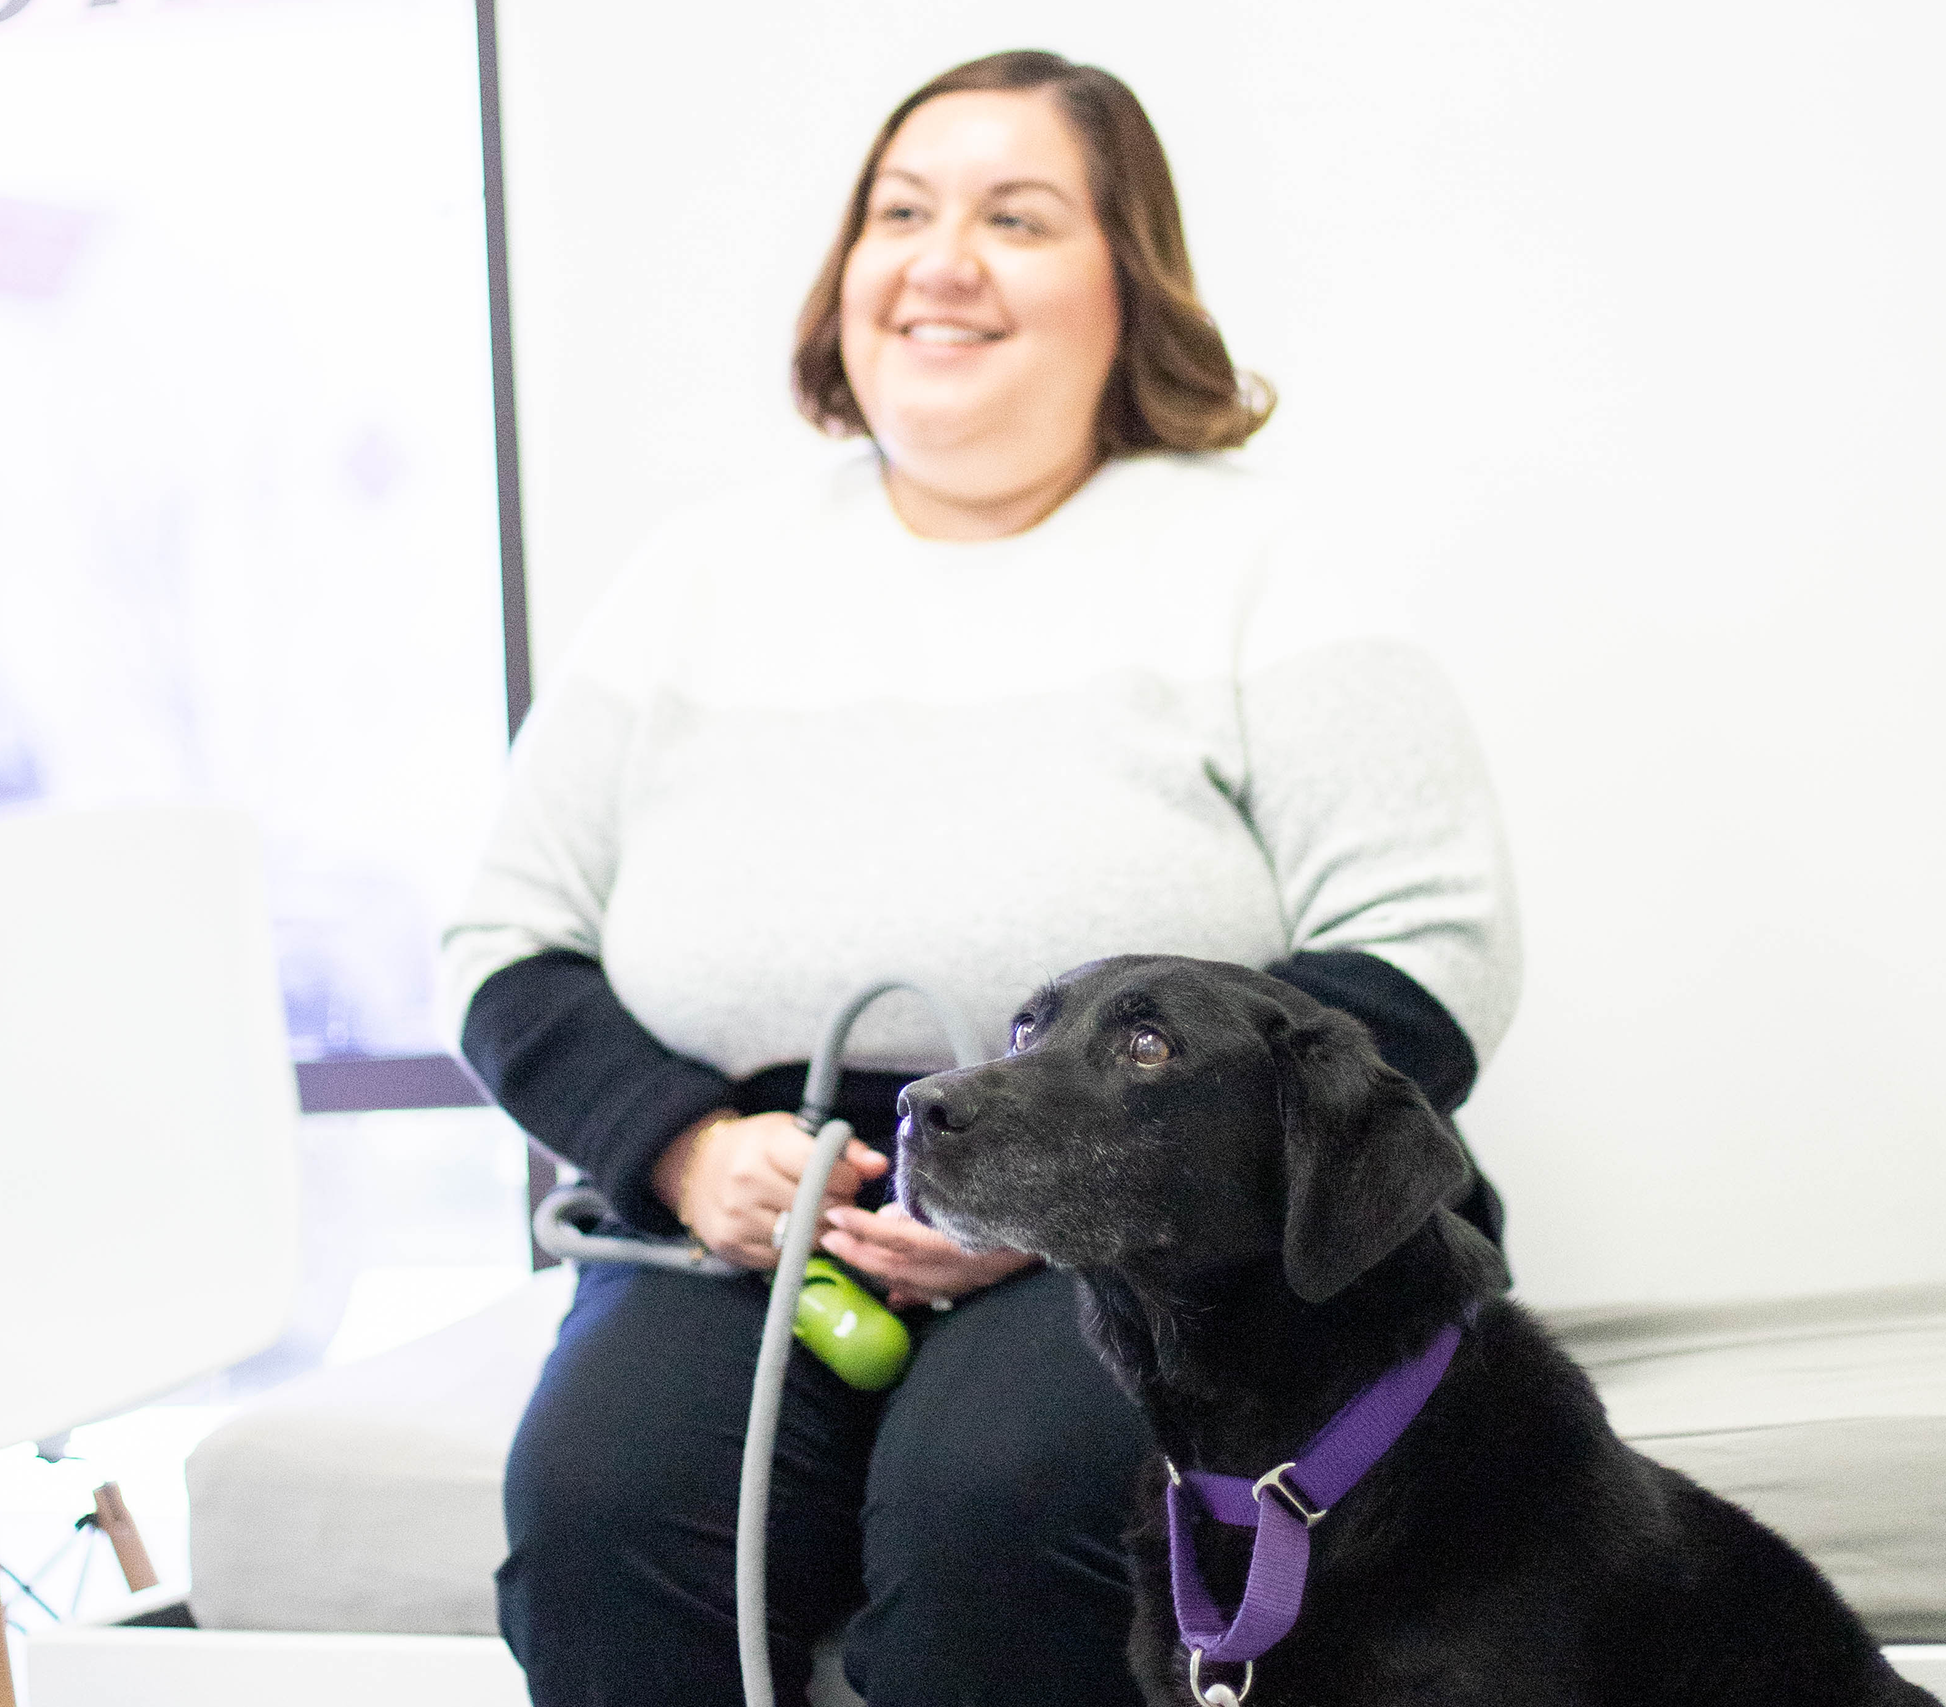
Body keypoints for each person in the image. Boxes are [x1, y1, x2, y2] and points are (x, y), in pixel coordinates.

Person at [441, 48, 1522, 1707]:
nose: (941, 261)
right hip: (763, 1211)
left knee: (1003, 1507)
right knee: (602, 1509)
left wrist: (1062, 1177)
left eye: (1016, 218)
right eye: (901, 211)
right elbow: (507, 945)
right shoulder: (693, 583)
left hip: (1145, 1227)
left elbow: (1427, 949)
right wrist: (682, 1145)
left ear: (1127, 283)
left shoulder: (1251, 564)